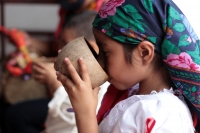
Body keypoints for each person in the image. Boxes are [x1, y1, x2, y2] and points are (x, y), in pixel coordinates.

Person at [56, 0, 200, 132]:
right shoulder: (135, 96)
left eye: (105, 52)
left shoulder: (160, 114)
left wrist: (85, 114)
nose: (99, 62)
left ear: (144, 53)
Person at [5, 10, 109, 133]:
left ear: (91, 47)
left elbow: (70, 116)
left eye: (65, 44)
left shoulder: (101, 85)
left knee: (16, 116)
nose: (60, 48)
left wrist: (54, 84)